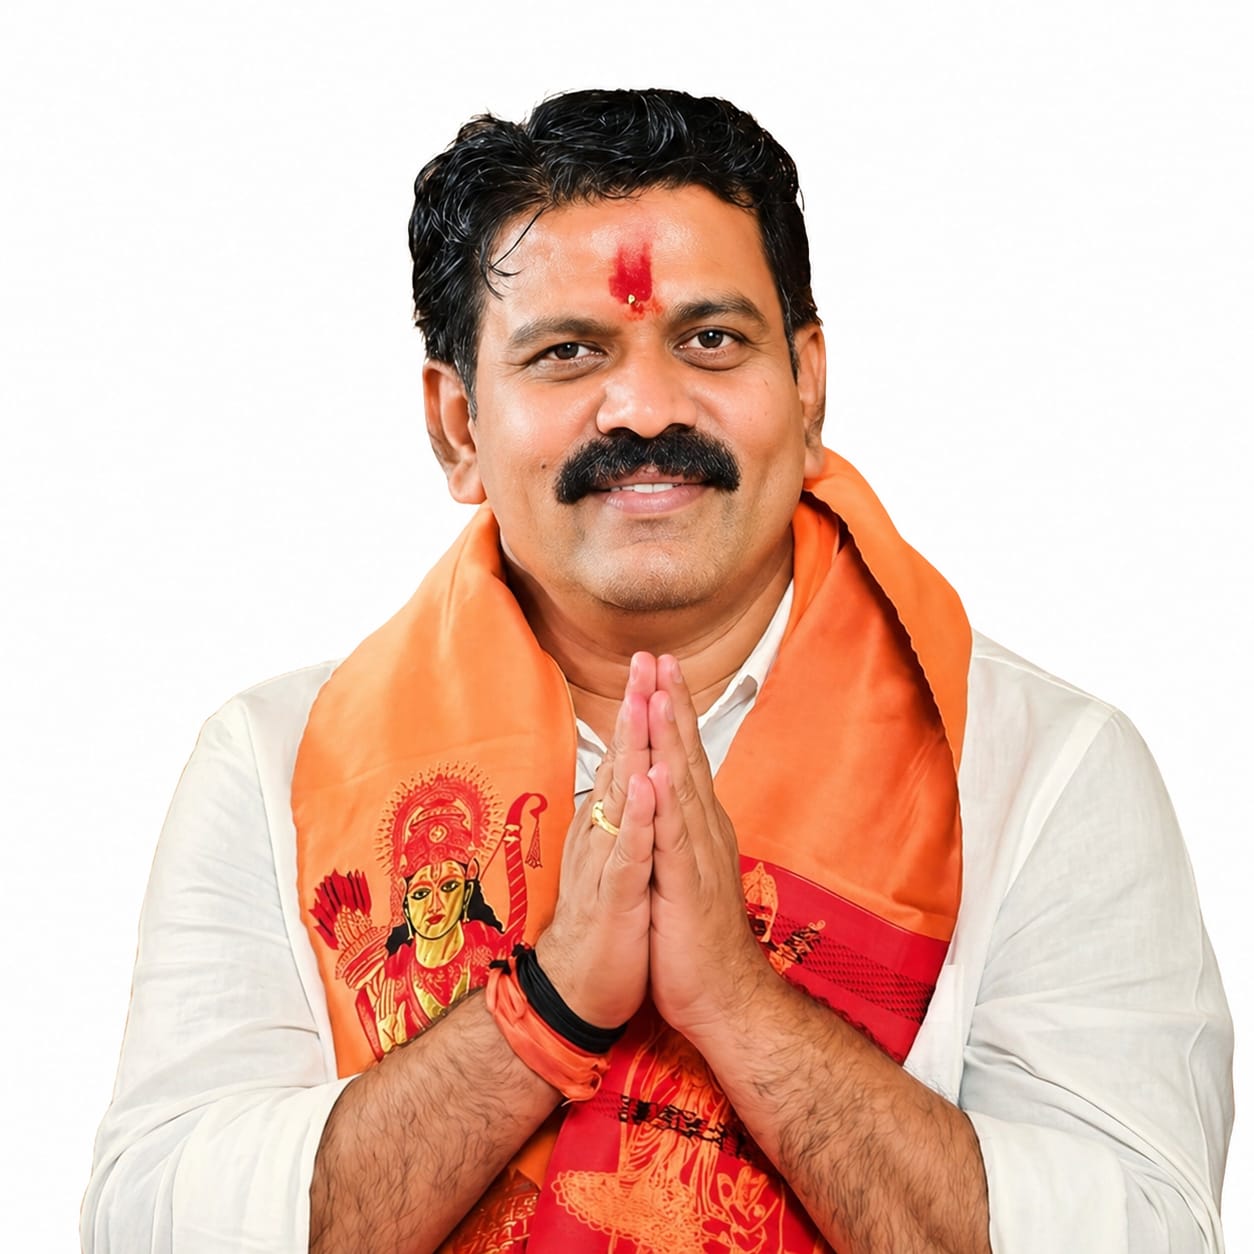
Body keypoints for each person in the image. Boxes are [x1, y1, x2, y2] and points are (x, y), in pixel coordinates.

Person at [82, 88, 1233, 1254]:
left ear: (808, 387)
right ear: (458, 427)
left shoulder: (1035, 768)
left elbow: (1142, 1234)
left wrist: (739, 1005)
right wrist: (543, 1013)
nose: (641, 409)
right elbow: (152, 1225)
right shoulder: (276, 767)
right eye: (568, 352)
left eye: (711, 340)